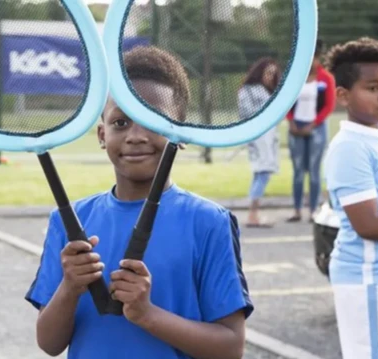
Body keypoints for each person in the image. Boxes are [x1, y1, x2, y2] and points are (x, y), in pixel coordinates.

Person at [25, 46, 253, 359]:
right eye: (121, 123)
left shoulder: (209, 222)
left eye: (153, 120)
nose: (135, 135)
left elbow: (230, 348)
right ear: (102, 134)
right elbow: (49, 343)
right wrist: (70, 286)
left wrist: (147, 315)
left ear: (181, 132)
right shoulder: (70, 220)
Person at [322, 37, 378, 358]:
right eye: (373, 87)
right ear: (343, 96)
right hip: (371, 281)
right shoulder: (350, 146)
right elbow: (368, 224)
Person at [286, 39, 336, 223]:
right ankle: (297, 209)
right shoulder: (295, 76)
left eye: (314, 57)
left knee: (315, 171)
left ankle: (314, 210)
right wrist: (291, 121)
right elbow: (286, 101)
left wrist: (313, 124)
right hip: (296, 127)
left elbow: (329, 105)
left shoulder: (326, 79)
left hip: (316, 128)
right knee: (298, 170)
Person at [238, 57, 282, 228]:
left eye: (273, 74)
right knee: (262, 172)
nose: (270, 77)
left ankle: (254, 214)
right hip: (258, 138)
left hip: (268, 138)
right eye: (268, 73)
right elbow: (245, 113)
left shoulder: (268, 91)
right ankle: (252, 215)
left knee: (262, 173)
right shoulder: (249, 90)